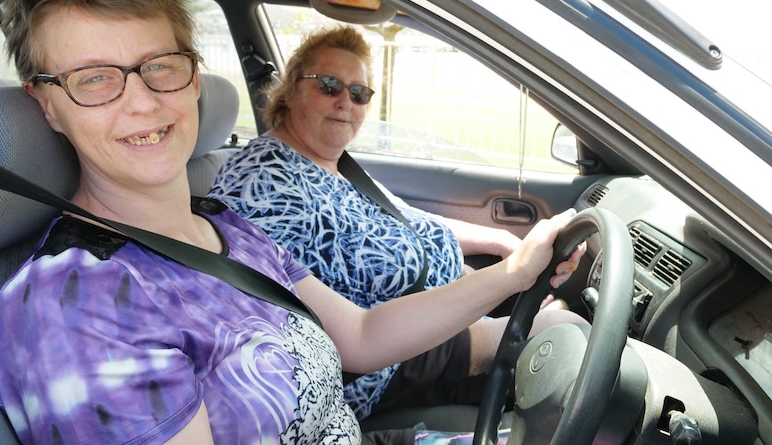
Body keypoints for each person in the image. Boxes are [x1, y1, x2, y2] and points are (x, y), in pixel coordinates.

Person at [0, 0, 585, 444]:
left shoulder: (224, 227)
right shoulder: (72, 309)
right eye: (94, 78)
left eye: (161, 67)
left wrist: (514, 272)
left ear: (194, 80)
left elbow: (363, 335)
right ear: (46, 105)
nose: (142, 103)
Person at [208, 25, 587, 421]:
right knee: (567, 328)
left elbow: (404, 217)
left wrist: (502, 243)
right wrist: (510, 279)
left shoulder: (332, 163)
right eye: (329, 85)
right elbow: (318, 333)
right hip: (397, 356)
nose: (346, 102)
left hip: (437, 300)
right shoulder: (263, 182)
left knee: (557, 302)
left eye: (359, 93)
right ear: (291, 88)